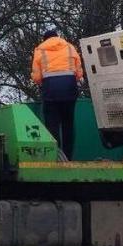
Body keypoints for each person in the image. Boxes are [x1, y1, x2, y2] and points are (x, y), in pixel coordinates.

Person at [30, 29, 84, 159]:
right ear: (58, 37)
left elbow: (37, 77)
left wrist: (40, 79)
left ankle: (56, 158)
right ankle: (68, 157)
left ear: (44, 39)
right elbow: (79, 73)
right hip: (69, 89)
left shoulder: (40, 50)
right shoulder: (70, 47)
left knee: (52, 125)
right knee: (68, 124)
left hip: (50, 90)